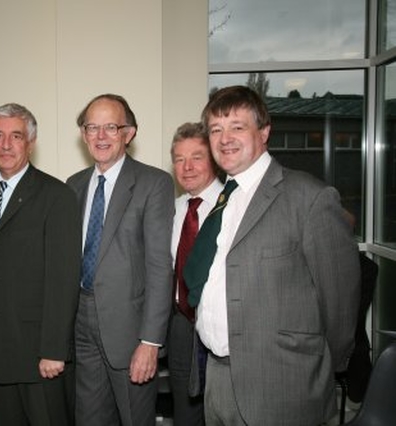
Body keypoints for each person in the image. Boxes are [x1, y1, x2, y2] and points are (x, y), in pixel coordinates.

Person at [184, 85, 360, 425]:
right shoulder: (224, 199)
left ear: (264, 131)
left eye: (237, 126)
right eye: (216, 130)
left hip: (282, 386)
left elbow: (340, 301)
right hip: (217, 380)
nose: (224, 138)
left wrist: (323, 368)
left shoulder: (309, 198)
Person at [0, 103, 81, 426]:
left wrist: (54, 349)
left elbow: (64, 278)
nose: (5, 145)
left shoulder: (56, 196)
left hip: (38, 356)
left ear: (30, 142)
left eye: (15, 136)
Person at [66, 94, 175, 426]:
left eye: (110, 127)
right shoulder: (74, 185)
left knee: (134, 419)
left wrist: (150, 341)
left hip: (130, 332)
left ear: (129, 133)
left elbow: (160, 268)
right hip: (81, 324)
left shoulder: (154, 184)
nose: (100, 136)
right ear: (83, 134)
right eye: (92, 127)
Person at [167, 122, 223, 426]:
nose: (187, 167)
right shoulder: (170, 210)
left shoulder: (234, 206)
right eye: (179, 159)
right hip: (181, 329)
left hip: (223, 331)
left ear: (213, 159)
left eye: (197, 157)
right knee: (186, 415)